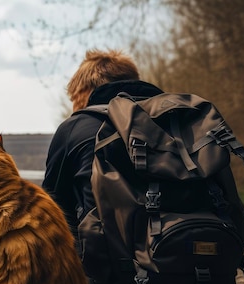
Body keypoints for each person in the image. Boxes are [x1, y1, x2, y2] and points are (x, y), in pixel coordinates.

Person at [42, 49, 164, 256]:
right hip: (198, 268)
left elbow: (52, 210)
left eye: (73, 97)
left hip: (111, 275)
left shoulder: (75, 127)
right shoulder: (176, 119)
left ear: (84, 91)